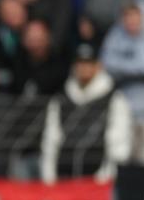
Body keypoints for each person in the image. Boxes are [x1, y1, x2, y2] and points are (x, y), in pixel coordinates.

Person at [40, 43, 132, 183]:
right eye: (80, 63)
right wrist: (50, 178)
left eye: (89, 63)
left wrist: (106, 178)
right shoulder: (61, 99)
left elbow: (118, 144)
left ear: (98, 66)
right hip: (63, 179)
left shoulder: (114, 99)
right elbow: (50, 140)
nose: (84, 68)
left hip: (99, 182)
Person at [101, 0, 144, 167]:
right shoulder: (115, 37)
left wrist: (129, 67)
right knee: (123, 162)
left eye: (135, 15)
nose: (131, 20)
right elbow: (108, 65)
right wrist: (143, 69)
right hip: (124, 111)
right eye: (127, 16)